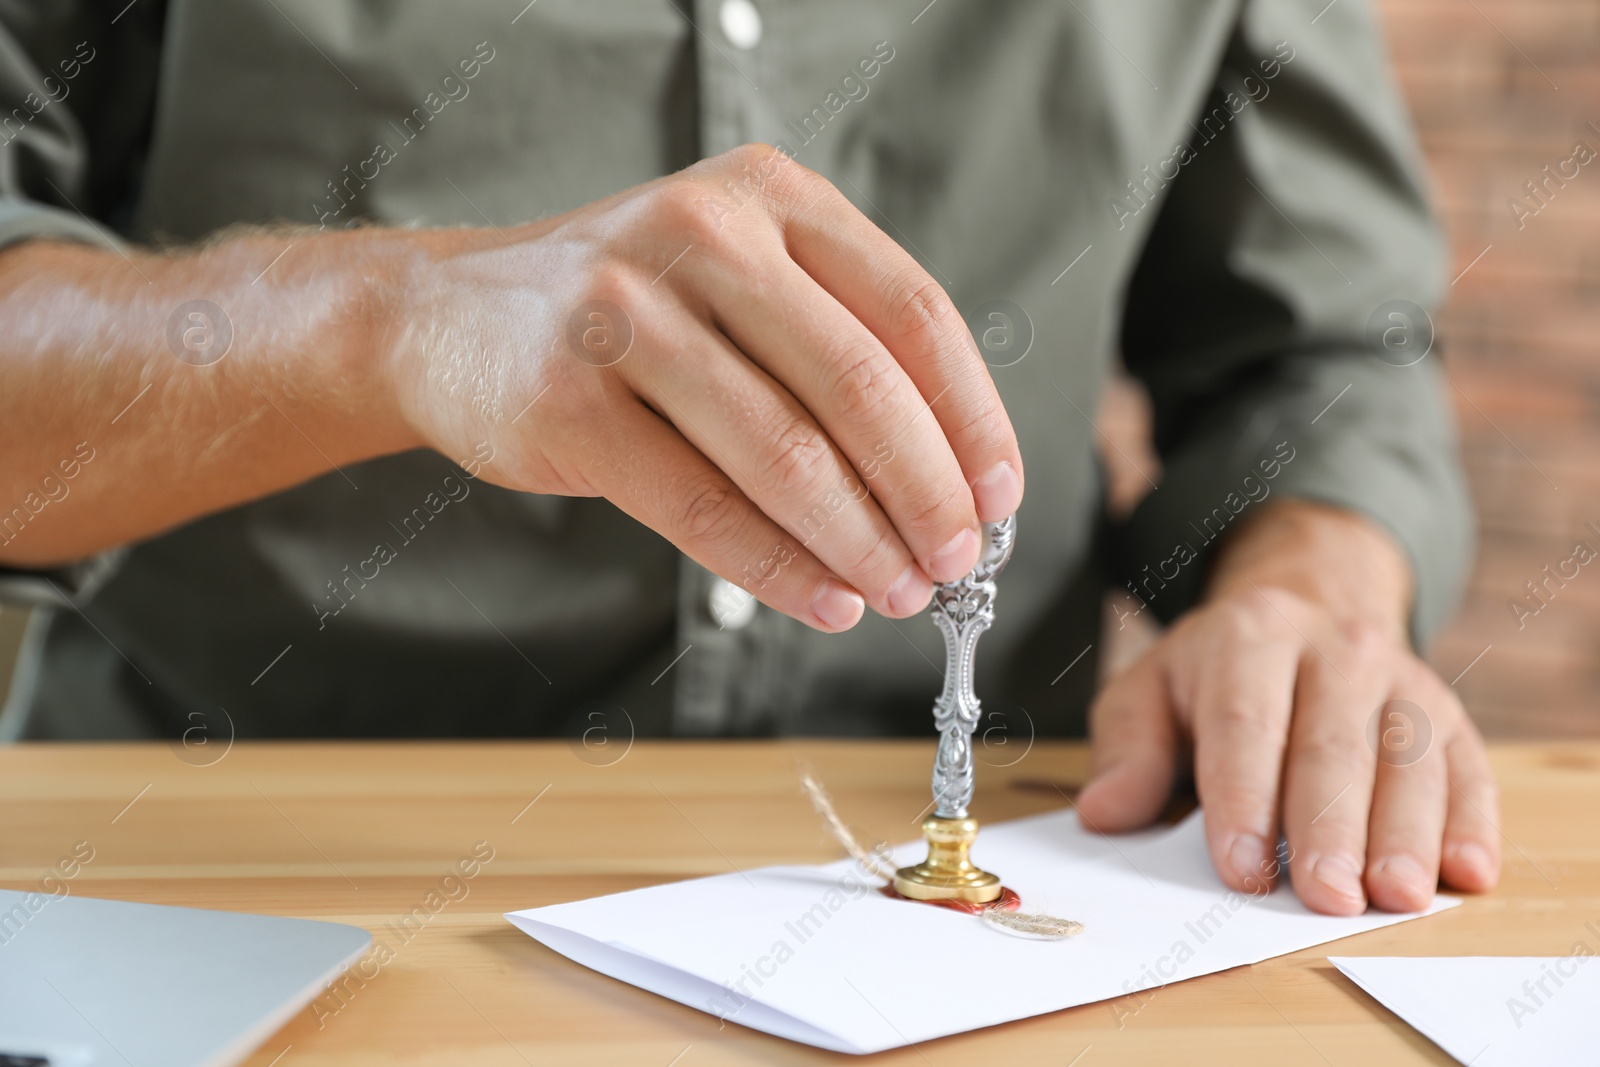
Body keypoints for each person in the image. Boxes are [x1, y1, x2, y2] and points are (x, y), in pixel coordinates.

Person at [0, 0, 1497, 916]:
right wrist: (385, 321)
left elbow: (1314, 351)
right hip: (238, 873)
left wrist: (1315, 585)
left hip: (987, 936)